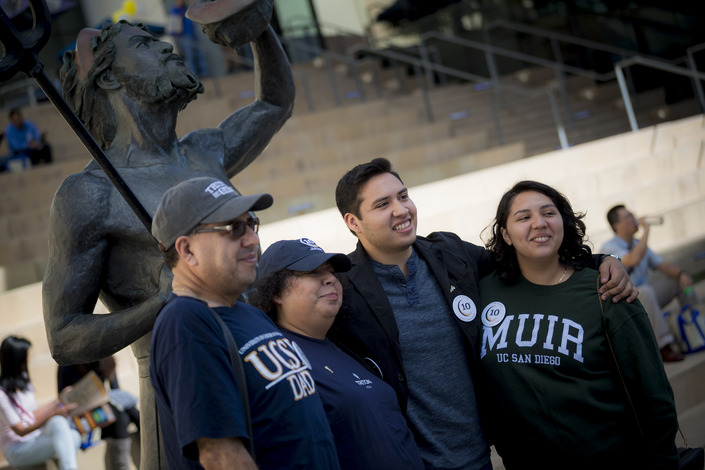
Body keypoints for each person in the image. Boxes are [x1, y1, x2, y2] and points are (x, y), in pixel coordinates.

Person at [42, 7, 294, 468]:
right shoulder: (89, 194)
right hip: (180, 392)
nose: (165, 46)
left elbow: (274, 103)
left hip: (259, 363)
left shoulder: (203, 150)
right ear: (111, 80)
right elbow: (62, 336)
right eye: (143, 44)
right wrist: (157, 305)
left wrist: (259, 29)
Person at [328, 158, 637, 470]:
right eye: (383, 204)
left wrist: (602, 260)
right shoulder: (343, 291)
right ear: (353, 222)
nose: (402, 209)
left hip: (480, 457)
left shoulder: (449, 252)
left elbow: (523, 259)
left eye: (403, 196)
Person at [478, 181, 679, 469]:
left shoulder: (608, 291)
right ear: (506, 235)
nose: (539, 224)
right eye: (524, 217)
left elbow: (653, 398)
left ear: (564, 222)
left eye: (549, 213)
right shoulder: (484, 292)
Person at [149, 177, 340, 469]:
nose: (252, 239)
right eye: (234, 229)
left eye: (251, 224)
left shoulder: (248, 313)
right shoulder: (185, 322)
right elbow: (221, 457)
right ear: (187, 250)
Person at [250, 238, 425, 470]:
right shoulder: (280, 361)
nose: (330, 278)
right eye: (313, 272)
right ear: (276, 292)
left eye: (331, 271)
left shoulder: (346, 346)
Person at [602, 204, 699, 362]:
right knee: (645, 290)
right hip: (624, 303)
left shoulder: (638, 244)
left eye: (632, 214)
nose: (634, 218)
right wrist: (647, 230)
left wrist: (681, 274)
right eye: (628, 216)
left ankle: (696, 327)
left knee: (679, 281)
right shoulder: (609, 247)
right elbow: (634, 259)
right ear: (616, 226)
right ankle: (663, 346)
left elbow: (663, 266)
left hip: (645, 298)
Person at [0, 336, 81, 470]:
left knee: (68, 431)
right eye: (27, 356)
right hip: (17, 450)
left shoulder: (25, 381)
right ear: (18, 360)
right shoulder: (2, 395)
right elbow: (21, 430)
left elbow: (32, 414)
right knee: (70, 438)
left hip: (34, 439)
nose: (30, 359)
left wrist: (59, 401)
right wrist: (54, 412)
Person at [57, 356, 140, 470]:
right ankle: (123, 465)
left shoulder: (105, 358)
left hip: (106, 408)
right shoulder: (66, 364)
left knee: (131, 412)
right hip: (84, 416)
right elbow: (62, 399)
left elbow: (115, 390)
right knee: (122, 417)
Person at [168, 0, 209, 78]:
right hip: (185, 37)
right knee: (190, 57)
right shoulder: (175, 9)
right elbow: (174, 26)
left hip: (194, 35)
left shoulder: (186, 8)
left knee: (200, 55)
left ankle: (204, 75)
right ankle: (194, 77)